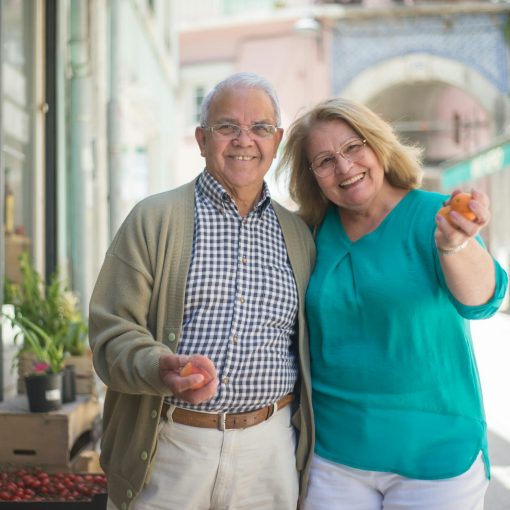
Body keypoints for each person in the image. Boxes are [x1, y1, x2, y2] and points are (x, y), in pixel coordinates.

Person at [89, 72, 315, 510]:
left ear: (278, 140)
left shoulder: (300, 235)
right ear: (201, 139)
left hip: (270, 451)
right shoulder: (154, 219)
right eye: (227, 126)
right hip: (172, 443)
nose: (243, 140)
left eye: (260, 128)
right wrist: (160, 367)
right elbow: (110, 333)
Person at [277, 97, 508, 510]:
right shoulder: (308, 234)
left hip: (436, 456)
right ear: (312, 177)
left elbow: (484, 301)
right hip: (335, 457)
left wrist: (456, 246)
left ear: (378, 144)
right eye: (325, 161)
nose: (345, 167)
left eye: (353, 147)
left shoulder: (433, 216)